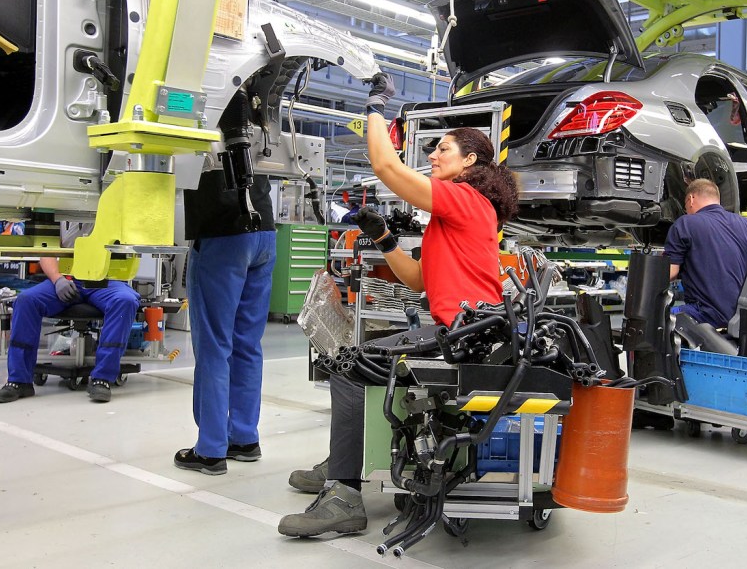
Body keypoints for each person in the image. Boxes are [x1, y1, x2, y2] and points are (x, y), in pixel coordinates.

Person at [278, 77, 519, 538]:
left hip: (464, 338)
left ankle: (344, 495)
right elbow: (418, 279)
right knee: (362, 357)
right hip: (465, 333)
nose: (433, 156)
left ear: (470, 161)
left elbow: (386, 166)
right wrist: (383, 237)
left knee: (350, 367)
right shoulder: (459, 211)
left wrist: (375, 107)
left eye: (443, 149)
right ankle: (345, 457)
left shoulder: (466, 199)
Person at [173, 89, 277, 475]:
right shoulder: (258, 111)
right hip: (264, 232)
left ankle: (211, 449)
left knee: (215, 345)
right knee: (247, 343)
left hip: (222, 234)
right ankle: (245, 438)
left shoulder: (202, 102)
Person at [0, 227, 141, 404]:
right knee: (26, 301)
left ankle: (103, 378)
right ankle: (19, 380)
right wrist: (58, 279)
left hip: (107, 280)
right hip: (67, 279)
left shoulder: (115, 215)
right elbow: (46, 251)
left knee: (125, 300)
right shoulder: (59, 214)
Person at [663, 178, 747, 329]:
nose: (686, 209)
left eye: (685, 205)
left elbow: (670, 273)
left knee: (658, 318)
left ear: (690, 199)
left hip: (705, 316)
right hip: (745, 320)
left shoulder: (685, 224)